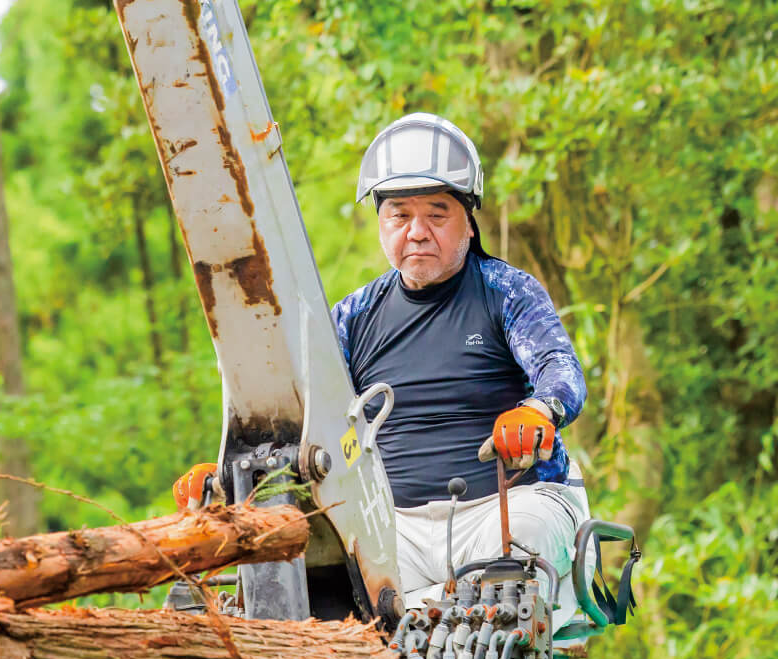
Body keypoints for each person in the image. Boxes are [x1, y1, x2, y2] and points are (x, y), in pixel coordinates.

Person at [173, 114, 589, 607]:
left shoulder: (508, 292)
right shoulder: (353, 316)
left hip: (502, 510)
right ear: (380, 222)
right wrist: (226, 472)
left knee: (527, 538)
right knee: (304, 573)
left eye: (437, 214)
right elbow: (300, 418)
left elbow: (561, 371)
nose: (417, 232)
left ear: (469, 222)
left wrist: (537, 411)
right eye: (399, 215)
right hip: (393, 529)